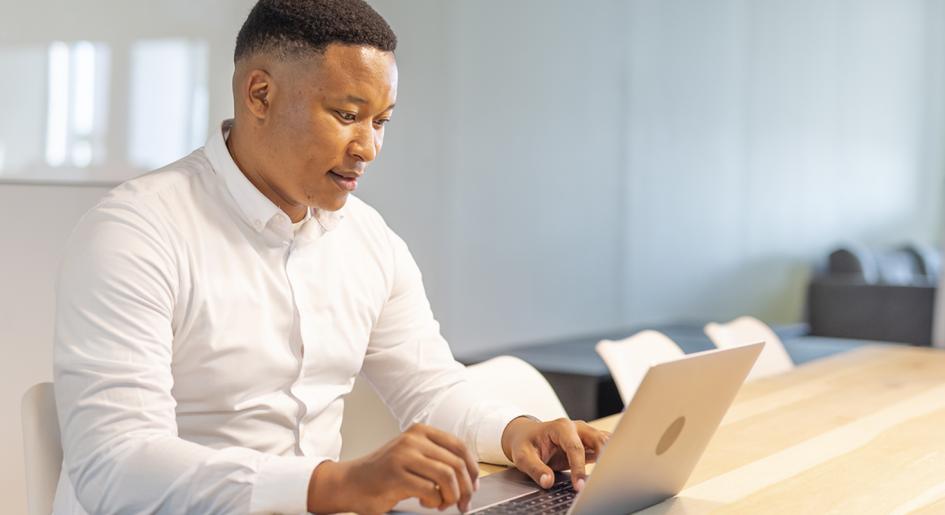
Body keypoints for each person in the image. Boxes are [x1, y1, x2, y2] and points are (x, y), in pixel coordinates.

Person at [53, 1, 609, 513]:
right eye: (347, 115)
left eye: (381, 121)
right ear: (259, 95)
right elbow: (117, 465)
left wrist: (516, 432)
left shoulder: (368, 239)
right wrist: (335, 484)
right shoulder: (134, 233)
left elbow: (430, 388)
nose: (368, 148)